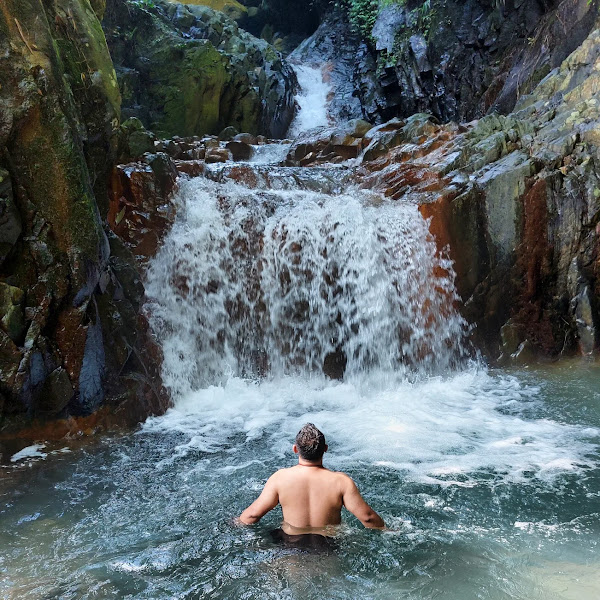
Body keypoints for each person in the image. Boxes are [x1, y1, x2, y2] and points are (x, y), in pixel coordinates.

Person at [238, 423, 384, 547]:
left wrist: (235, 523)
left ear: (295, 449)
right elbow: (368, 518)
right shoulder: (341, 481)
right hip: (328, 546)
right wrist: (388, 531)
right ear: (325, 449)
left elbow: (252, 515)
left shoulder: (280, 478)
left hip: (290, 545)